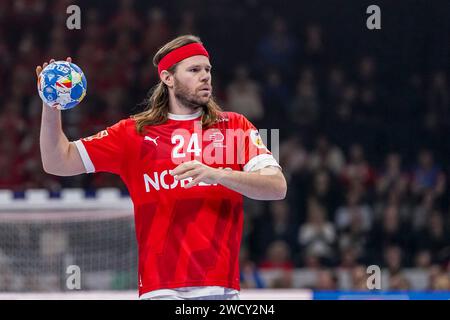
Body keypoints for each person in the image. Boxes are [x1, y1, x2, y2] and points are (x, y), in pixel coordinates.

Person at [36, 35, 287, 300]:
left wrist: (217, 173)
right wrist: (51, 102)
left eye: (207, 70)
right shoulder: (133, 133)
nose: (205, 77)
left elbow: (277, 187)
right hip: (159, 291)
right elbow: (56, 161)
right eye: (194, 70)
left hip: (219, 289)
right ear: (168, 78)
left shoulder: (234, 126)